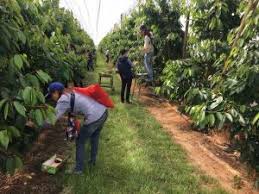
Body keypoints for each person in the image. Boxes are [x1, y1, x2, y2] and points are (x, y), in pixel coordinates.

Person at [47, 82, 108, 174]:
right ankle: (92, 162)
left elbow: (52, 119)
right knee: (94, 137)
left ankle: (78, 170)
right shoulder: (71, 91)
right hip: (103, 112)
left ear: (56, 92)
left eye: (51, 94)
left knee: (80, 141)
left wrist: (36, 123)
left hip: (95, 117)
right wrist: (71, 130)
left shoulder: (63, 100)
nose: (52, 97)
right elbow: (74, 110)